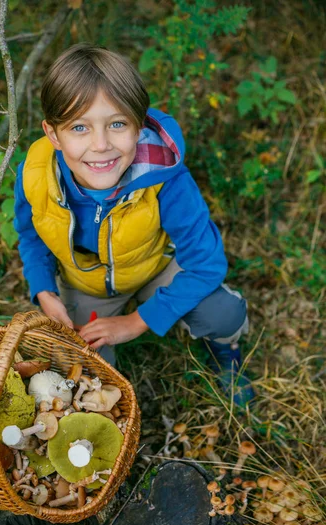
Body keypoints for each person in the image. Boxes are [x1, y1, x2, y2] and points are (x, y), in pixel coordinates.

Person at [14, 43, 255, 406]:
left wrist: (137, 322)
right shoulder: (35, 175)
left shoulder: (163, 179)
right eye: (79, 127)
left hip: (153, 268)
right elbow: (30, 235)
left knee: (224, 313)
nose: (101, 145)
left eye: (117, 124)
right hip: (86, 284)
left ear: (138, 125)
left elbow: (206, 264)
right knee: (80, 368)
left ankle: (227, 351)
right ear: (53, 134)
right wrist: (44, 290)